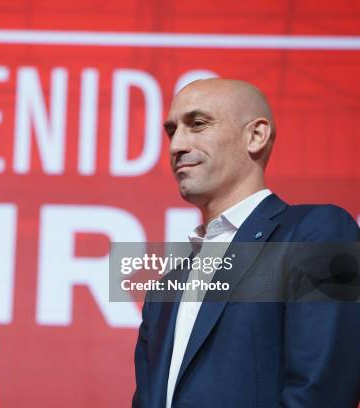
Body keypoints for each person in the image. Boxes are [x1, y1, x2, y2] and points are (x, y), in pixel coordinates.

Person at [132, 78, 360, 407]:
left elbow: (323, 389)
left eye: (197, 124)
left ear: (255, 136)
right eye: (172, 130)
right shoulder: (165, 289)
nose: (176, 145)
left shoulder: (319, 232)